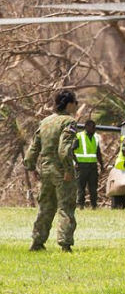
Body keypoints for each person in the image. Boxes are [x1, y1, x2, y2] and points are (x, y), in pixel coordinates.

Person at [24, 90, 79, 252]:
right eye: (75, 102)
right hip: (61, 171)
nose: (76, 106)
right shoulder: (69, 122)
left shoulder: (45, 121)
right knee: (66, 207)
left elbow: (33, 148)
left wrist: (31, 166)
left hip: (46, 169)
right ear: (69, 104)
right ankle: (65, 244)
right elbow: (64, 149)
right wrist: (69, 169)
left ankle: (37, 242)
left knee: (46, 208)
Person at [74, 119, 104, 210]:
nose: (94, 129)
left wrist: (102, 164)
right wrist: (75, 162)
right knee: (81, 187)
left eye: (94, 127)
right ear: (86, 127)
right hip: (81, 165)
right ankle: (80, 205)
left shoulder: (95, 137)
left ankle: (94, 205)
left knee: (93, 187)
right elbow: (71, 150)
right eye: (92, 127)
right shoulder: (79, 136)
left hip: (92, 166)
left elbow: (98, 152)